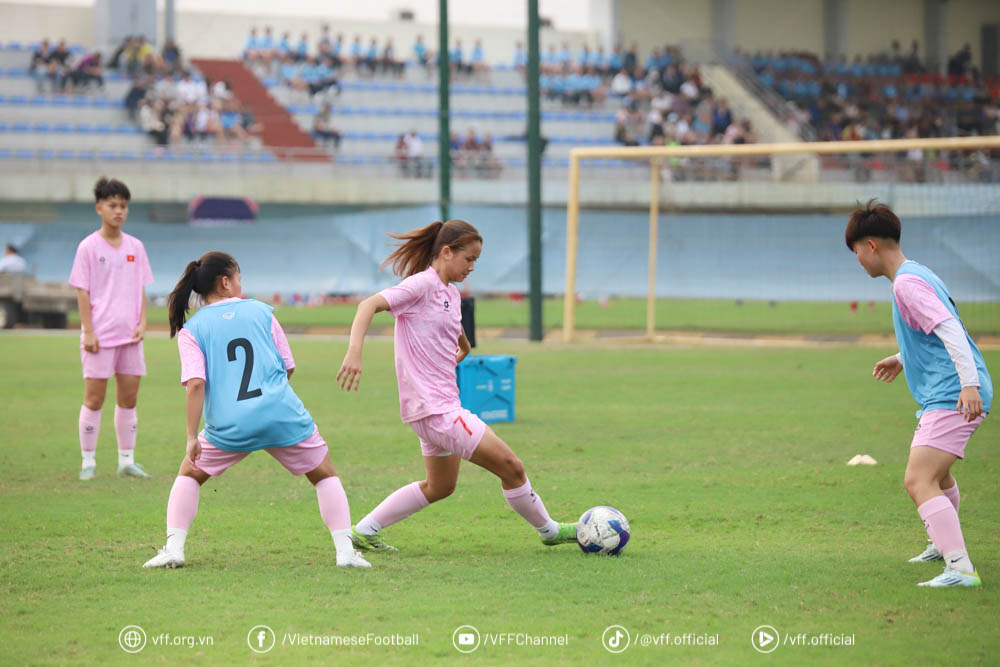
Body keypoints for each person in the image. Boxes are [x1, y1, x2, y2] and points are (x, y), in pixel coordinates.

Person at [337, 220, 577, 553]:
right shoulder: (421, 284)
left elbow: (455, 328)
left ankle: (364, 531)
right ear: (447, 252)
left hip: (433, 408)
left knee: (440, 486)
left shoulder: (449, 291)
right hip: (437, 410)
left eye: (476, 260)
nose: (472, 267)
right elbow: (368, 305)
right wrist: (354, 353)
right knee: (512, 467)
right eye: (469, 259)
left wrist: (463, 347)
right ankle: (550, 531)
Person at [143, 251, 370, 569]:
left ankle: (174, 549)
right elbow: (288, 367)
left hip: (229, 424)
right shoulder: (262, 311)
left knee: (190, 474)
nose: (240, 284)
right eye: (238, 278)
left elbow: (195, 384)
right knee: (324, 475)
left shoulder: (191, 331)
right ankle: (345, 553)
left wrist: (191, 437)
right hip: (280, 413)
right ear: (225, 282)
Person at [846, 200, 992, 588]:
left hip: (952, 392)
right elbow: (932, 335)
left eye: (857, 251)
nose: (858, 261)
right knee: (938, 476)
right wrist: (901, 357)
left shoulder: (907, 285)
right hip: (949, 389)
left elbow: (951, 331)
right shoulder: (917, 273)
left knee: (918, 480)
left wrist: (968, 385)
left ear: (872, 246)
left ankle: (959, 567)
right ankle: (942, 546)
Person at [68, 178, 153, 481]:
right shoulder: (88, 247)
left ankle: (126, 460)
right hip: (99, 337)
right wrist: (88, 331)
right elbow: (82, 291)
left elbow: (141, 287)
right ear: (99, 208)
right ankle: (88, 461)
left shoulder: (136, 246)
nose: (119, 211)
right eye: (113, 205)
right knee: (94, 399)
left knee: (128, 400)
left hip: (130, 337)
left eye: (123, 206)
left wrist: (142, 323)